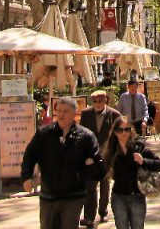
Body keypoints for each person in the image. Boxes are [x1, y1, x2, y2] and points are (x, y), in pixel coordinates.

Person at [21, 96, 103, 229]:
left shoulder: (86, 136)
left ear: (74, 113)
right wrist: (26, 176)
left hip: (73, 196)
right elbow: (30, 155)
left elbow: (98, 166)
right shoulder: (44, 133)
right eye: (59, 110)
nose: (61, 114)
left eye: (65, 111)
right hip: (49, 195)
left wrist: (82, 174)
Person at [101, 114, 160, 229]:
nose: (124, 133)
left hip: (137, 196)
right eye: (120, 130)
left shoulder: (138, 147)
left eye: (127, 129)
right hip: (118, 197)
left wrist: (143, 161)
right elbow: (101, 171)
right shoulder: (111, 151)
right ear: (115, 132)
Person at [80, 90, 120, 228]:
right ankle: (89, 217)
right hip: (90, 156)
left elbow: (119, 135)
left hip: (107, 156)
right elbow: (82, 133)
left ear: (106, 101)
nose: (97, 104)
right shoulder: (85, 114)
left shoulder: (114, 114)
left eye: (100, 101)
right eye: (95, 101)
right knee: (89, 186)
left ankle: (103, 210)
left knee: (104, 185)